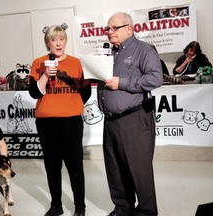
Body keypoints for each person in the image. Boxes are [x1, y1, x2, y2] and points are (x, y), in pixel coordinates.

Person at [99, 12, 163, 216]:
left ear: (129, 28)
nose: (109, 32)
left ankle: (146, 212)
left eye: (113, 28)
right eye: (107, 28)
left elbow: (155, 78)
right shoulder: (109, 53)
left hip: (134, 119)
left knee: (139, 170)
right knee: (115, 170)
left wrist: (123, 83)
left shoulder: (143, 50)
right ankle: (122, 208)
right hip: (110, 122)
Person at [29, 24, 91, 216]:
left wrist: (70, 103)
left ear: (65, 40)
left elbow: (86, 91)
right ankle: (56, 205)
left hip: (71, 120)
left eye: (61, 39)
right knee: (52, 165)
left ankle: (80, 207)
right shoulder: (39, 62)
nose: (58, 43)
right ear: (47, 42)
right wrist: (46, 76)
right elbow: (33, 93)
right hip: (46, 121)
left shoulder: (76, 63)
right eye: (54, 39)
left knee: (75, 164)